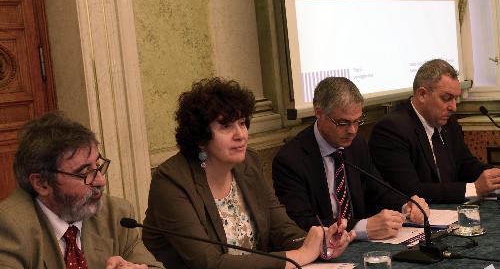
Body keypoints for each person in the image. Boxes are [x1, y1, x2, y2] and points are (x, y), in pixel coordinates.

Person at [143, 77, 355, 269]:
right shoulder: (171, 181)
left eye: (242, 124)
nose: (241, 135)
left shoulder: (248, 165)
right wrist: (297, 257)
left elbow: (280, 228)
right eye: (226, 127)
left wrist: (319, 241)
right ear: (200, 137)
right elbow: (207, 262)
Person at [0, 112, 164, 269]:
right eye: (85, 173)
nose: (100, 180)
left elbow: (152, 266)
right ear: (42, 184)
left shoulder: (116, 214)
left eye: (98, 166)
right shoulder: (10, 226)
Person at [273, 77, 429, 241]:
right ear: (319, 113)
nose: (352, 131)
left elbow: (379, 191)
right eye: (343, 123)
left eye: (357, 121)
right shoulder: (290, 160)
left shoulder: (356, 145)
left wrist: (407, 205)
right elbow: (302, 223)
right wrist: (363, 227)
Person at [369, 59, 500, 203]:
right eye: (447, 98)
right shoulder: (391, 129)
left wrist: (495, 177)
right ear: (422, 95)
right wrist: (473, 188)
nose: (454, 107)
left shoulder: (449, 123)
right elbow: (409, 191)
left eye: (456, 99)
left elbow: (466, 164)